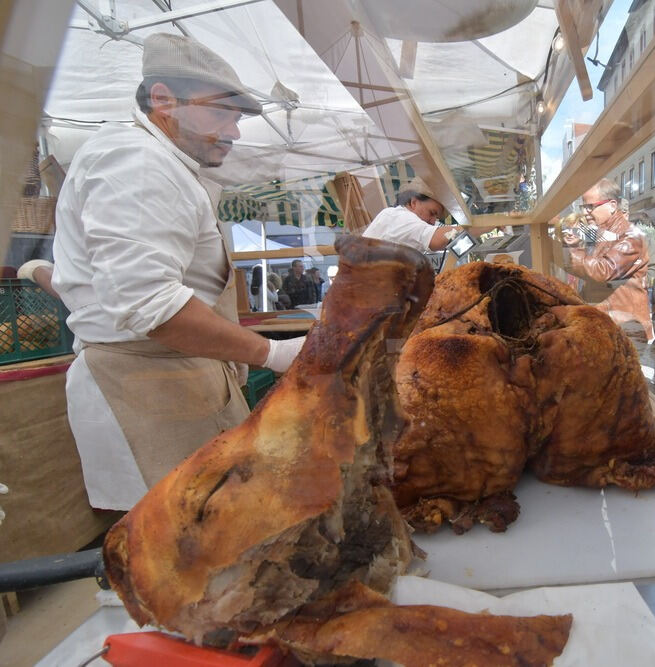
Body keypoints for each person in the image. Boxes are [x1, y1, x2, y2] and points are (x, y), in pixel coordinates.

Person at [51, 33, 305, 511]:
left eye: (236, 117)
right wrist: (272, 353)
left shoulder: (171, 165)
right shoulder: (137, 162)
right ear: (164, 100)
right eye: (220, 112)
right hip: (145, 386)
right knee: (173, 553)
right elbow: (150, 304)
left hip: (182, 375)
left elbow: (104, 282)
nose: (233, 131)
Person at [561, 178, 654, 342]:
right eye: (584, 207)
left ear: (612, 205)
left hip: (626, 329)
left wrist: (569, 252)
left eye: (590, 207)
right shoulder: (596, 232)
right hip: (605, 324)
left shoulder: (631, 236)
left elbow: (603, 270)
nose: (585, 213)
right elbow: (584, 271)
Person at [362, 177, 454, 251]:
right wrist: (465, 229)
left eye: (436, 217)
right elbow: (436, 239)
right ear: (414, 203)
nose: (433, 221)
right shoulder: (398, 216)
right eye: (432, 213)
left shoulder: (396, 218)